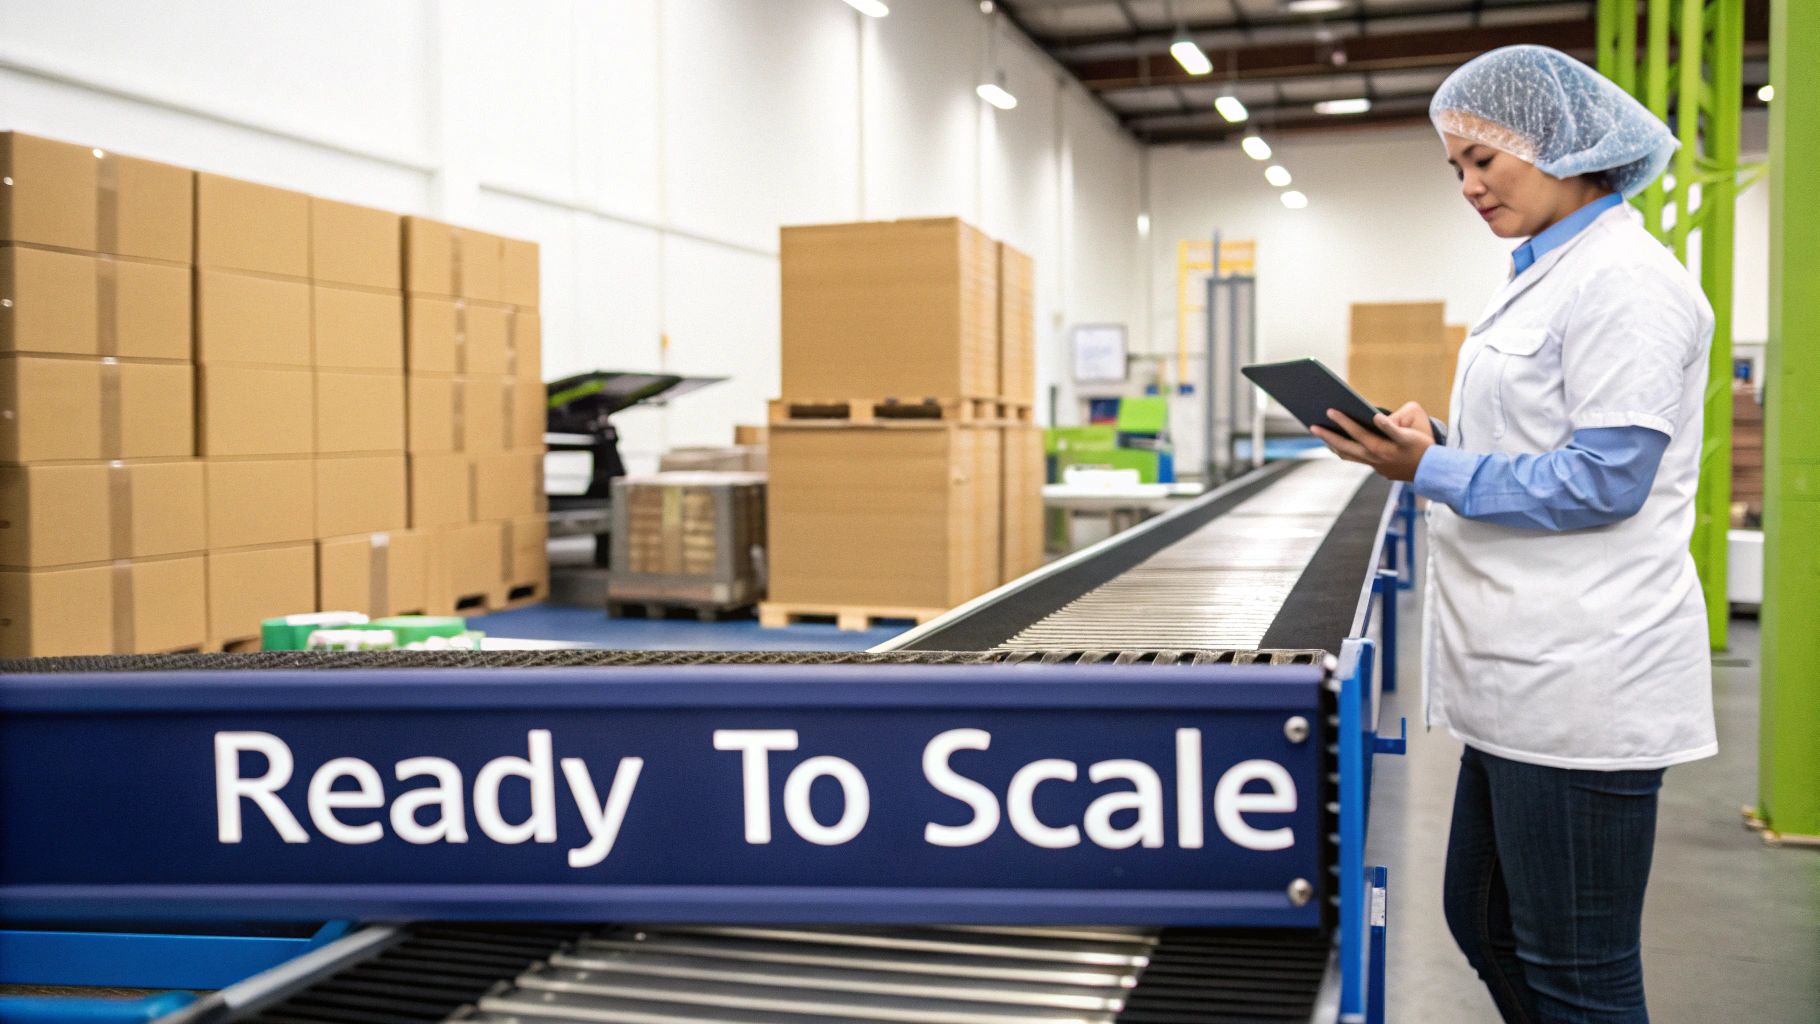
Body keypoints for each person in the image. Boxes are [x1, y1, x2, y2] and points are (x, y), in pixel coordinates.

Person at [1310, 45, 1716, 1023]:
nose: (1466, 184)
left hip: (1583, 679)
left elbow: (1604, 480)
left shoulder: (1625, 282)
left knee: (1575, 965)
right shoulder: (1540, 275)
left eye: (1482, 158)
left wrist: (1431, 470)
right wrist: (1434, 443)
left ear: (1563, 141)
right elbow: (1537, 441)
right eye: (1454, 167)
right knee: (1482, 921)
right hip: (1518, 675)